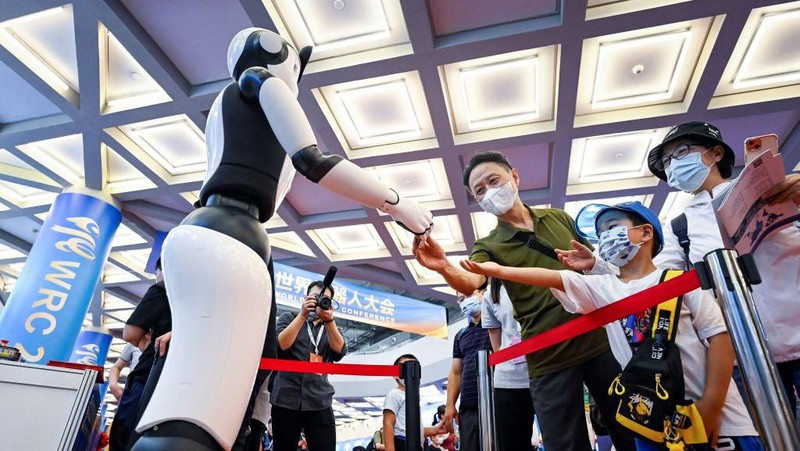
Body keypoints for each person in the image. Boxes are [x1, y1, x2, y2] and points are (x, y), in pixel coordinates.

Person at [133, 27, 433, 450]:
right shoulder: (261, 81)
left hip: (219, 233)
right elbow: (311, 158)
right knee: (205, 401)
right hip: (229, 238)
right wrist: (397, 203)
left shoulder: (227, 103)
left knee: (211, 386)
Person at [461, 201, 762, 450]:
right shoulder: (605, 289)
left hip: (721, 421)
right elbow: (552, 277)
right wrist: (498, 269)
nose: (605, 236)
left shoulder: (679, 280)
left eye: (613, 227)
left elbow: (720, 338)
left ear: (646, 232)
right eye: (601, 231)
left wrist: (710, 407)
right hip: (651, 423)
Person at [413, 151, 634, 451]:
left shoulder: (558, 217)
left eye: (494, 180)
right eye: (480, 191)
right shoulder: (488, 245)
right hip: (548, 356)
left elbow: (593, 267)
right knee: (566, 444)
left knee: (632, 428)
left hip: (600, 341)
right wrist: (443, 267)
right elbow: (471, 282)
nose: (489, 192)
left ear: (514, 177)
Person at [643, 120, 800, 415]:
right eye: (667, 161)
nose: (673, 164)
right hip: (744, 354)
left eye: (682, 152)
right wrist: (599, 266)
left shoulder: (775, 194)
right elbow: (650, 278)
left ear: (716, 153)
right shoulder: (680, 226)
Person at [271, 281, 347, 451]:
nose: (319, 301)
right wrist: (302, 315)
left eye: (325, 299)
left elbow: (339, 351)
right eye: (315, 297)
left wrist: (330, 321)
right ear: (306, 298)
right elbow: (280, 346)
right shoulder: (289, 318)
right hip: (286, 398)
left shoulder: (331, 327)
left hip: (320, 400)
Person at [481, 278, 534, 451]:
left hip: (546, 371)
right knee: (513, 443)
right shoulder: (492, 293)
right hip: (509, 379)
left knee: (560, 439)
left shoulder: (535, 277)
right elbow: (495, 337)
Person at [442, 292, 493, 451]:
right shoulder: (461, 335)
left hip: (496, 400)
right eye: (461, 299)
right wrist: (450, 405)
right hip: (468, 407)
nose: (465, 302)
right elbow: (456, 372)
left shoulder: (496, 324)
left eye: (468, 295)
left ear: (482, 293)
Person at [382, 354, 447, 451]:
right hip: (402, 442)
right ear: (396, 374)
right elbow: (388, 423)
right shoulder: (394, 394)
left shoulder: (413, 397)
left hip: (415, 443)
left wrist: (435, 430)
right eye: (406, 367)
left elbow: (414, 429)